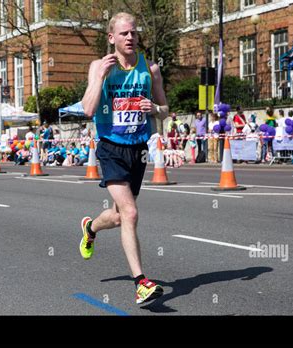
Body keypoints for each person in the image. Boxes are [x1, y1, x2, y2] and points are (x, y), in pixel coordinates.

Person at [80, 12, 168, 304]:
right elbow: (89, 110)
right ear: (111, 38)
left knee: (119, 217)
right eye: (123, 34)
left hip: (138, 148)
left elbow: (166, 109)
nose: (130, 38)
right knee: (130, 213)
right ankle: (141, 282)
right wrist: (100, 78)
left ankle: (90, 227)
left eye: (133, 33)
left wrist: (153, 108)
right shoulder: (98, 66)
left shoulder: (150, 68)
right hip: (110, 147)